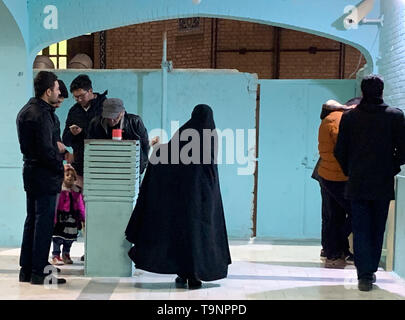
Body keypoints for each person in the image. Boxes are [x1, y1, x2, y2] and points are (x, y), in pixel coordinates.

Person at [125, 104, 232, 289]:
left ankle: (183, 273)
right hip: (204, 199)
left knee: (180, 235)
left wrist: (157, 149)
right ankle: (195, 275)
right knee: (199, 236)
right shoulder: (211, 136)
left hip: (182, 200)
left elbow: (167, 155)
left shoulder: (186, 132)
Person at [335, 75, 405, 291]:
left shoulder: (349, 118)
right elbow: (402, 150)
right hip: (382, 182)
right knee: (377, 228)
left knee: (361, 228)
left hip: (357, 181)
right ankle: (371, 270)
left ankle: (363, 274)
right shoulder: (395, 116)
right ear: (382, 91)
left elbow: (340, 151)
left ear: (363, 92)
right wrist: (391, 167)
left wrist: (351, 170)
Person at [16, 71, 66, 285]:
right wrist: (61, 159)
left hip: (30, 171)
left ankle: (26, 269)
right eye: (56, 89)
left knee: (32, 221)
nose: (58, 92)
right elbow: (47, 150)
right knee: (43, 223)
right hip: (45, 174)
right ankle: (39, 271)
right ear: (48, 91)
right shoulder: (43, 115)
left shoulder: (25, 110)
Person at [317, 97, 361, 268]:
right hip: (338, 177)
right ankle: (335, 248)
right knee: (353, 213)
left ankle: (333, 251)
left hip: (327, 175)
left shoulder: (330, 117)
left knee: (332, 215)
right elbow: (343, 150)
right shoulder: (339, 120)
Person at [62, 74, 108, 188]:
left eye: (81, 96)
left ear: (90, 91)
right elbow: (65, 140)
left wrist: (83, 132)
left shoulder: (105, 107)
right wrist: (72, 133)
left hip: (102, 161)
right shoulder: (74, 111)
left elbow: (108, 134)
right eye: (76, 97)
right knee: (80, 201)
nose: (79, 99)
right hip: (80, 164)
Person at [87, 98, 150, 174]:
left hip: (130, 168)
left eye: (115, 117)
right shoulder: (95, 124)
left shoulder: (135, 122)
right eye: (108, 117)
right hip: (104, 168)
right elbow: (90, 148)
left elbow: (145, 145)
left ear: (122, 112)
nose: (112, 121)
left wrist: (141, 168)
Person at [51, 165, 85, 265]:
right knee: (57, 238)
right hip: (61, 217)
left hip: (72, 218)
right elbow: (56, 204)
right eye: (67, 175)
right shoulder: (59, 190)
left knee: (69, 239)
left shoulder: (76, 191)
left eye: (72, 176)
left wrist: (83, 217)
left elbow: (80, 205)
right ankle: (56, 255)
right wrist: (54, 218)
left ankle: (66, 254)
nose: (69, 177)